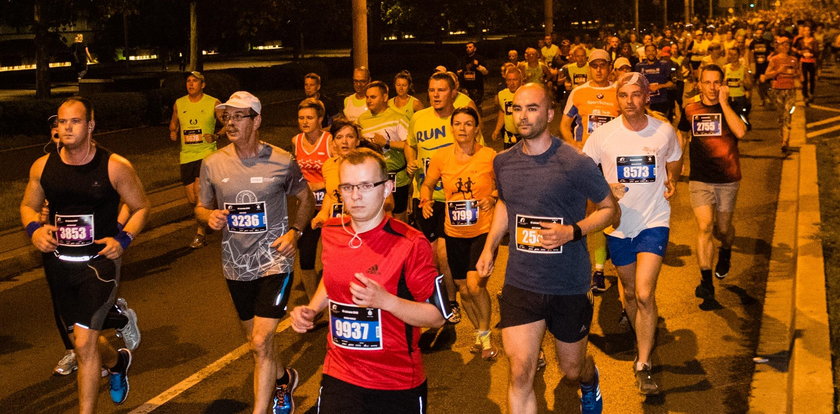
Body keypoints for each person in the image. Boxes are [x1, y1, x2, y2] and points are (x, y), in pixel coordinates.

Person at [476, 83, 619, 414]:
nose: (523, 116)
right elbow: (506, 204)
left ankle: (589, 378)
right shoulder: (503, 162)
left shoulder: (574, 162)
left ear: (550, 114)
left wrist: (573, 231)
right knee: (520, 372)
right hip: (521, 284)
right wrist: (490, 246)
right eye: (517, 109)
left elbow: (610, 209)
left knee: (571, 369)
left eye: (532, 108)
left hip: (567, 284)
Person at [290, 148, 446, 413]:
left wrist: (386, 301)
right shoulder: (331, 231)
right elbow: (331, 278)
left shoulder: (410, 242)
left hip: (395, 381)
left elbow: (437, 317)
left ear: (386, 188)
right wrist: (313, 309)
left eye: (365, 185)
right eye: (348, 187)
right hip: (340, 372)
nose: (356, 195)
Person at [21, 96, 151, 413]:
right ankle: (118, 362)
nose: (66, 127)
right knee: (80, 341)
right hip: (59, 265)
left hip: (99, 265)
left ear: (90, 125)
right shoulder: (43, 167)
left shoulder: (114, 166)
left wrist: (124, 238)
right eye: (62, 121)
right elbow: (26, 206)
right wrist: (35, 230)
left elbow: (142, 206)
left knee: (83, 344)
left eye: (75, 121)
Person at [196, 91, 315, 414]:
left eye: (238, 116)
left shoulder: (281, 160)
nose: (230, 123)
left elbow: (307, 198)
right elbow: (200, 207)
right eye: (226, 117)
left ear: (257, 120)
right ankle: (283, 379)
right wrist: (209, 217)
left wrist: (296, 232)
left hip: (274, 261)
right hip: (235, 265)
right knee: (256, 343)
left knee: (262, 341)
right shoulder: (212, 163)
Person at [583, 72, 683, 395]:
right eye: (623, 96)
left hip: (654, 221)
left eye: (636, 95)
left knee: (643, 292)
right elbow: (584, 173)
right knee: (627, 291)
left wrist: (673, 181)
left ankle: (643, 362)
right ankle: (643, 329)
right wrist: (605, 189)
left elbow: (676, 159)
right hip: (618, 225)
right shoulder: (603, 136)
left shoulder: (663, 131)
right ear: (617, 99)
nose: (630, 102)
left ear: (646, 97)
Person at [421, 107, 499, 360]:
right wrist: (426, 200)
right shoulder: (442, 157)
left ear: (477, 128)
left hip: (484, 231)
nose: (462, 128)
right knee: (463, 289)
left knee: (476, 287)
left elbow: (504, 187)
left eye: (468, 124)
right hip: (454, 232)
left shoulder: (489, 156)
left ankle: (486, 337)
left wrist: (492, 197)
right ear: (451, 128)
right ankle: (479, 332)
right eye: (458, 124)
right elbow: (427, 184)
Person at [677, 65, 747, 304]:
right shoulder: (690, 109)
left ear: (723, 84)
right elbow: (682, 134)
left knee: (723, 230)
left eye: (717, 82)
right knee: (705, 226)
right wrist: (677, 162)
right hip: (700, 178)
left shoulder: (733, 106)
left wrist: (725, 104)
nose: (712, 87)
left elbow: (741, 132)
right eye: (707, 82)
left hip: (728, 179)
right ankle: (706, 282)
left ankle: (725, 252)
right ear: (699, 84)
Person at [559, 49, 620, 294]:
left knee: (608, 212)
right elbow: (564, 125)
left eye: (603, 65)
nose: (598, 69)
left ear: (609, 67)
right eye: (594, 65)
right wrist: (576, 147)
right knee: (584, 214)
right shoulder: (578, 92)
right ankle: (585, 268)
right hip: (584, 162)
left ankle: (599, 268)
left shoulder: (618, 92)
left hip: (611, 161)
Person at [406, 71, 464, 325]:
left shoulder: (461, 119)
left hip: (451, 198)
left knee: (444, 253)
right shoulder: (418, 118)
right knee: (429, 255)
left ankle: (451, 302)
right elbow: (410, 144)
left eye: (441, 90)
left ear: (452, 93)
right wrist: (410, 160)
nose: (436, 95)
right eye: (432, 90)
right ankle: (436, 301)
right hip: (425, 197)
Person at [169, 71, 222, 249]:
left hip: (206, 154)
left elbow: (228, 123)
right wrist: (173, 131)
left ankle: (200, 233)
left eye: (195, 81)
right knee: (191, 198)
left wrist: (215, 136)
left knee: (199, 195)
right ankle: (211, 211)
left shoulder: (213, 103)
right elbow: (174, 121)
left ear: (203, 85)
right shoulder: (179, 103)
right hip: (186, 155)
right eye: (188, 81)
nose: (191, 84)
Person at [293, 98, 333, 300]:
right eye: (301, 118)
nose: (305, 121)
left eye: (309, 117)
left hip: (328, 207)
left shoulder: (329, 141)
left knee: (330, 256)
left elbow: (340, 173)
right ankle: (312, 302)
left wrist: (321, 185)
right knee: (306, 255)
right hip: (307, 208)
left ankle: (335, 295)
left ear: (320, 119)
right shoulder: (296, 141)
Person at [357, 81, 410, 221]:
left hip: (396, 177)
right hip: (372, 179)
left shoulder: (398, 117)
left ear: (385, 97)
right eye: (367, 97)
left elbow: (409, 145)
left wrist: (386, 143)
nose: (369, 100)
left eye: (373, 97)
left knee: (398, 220)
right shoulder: (362, 119)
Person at [764, 36, 801, 151]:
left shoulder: (793, 59)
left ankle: (785, 141)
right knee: (781, 116)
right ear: (778, 47)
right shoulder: (774, 60)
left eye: (787, 44)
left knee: (787, 114)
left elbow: (798, 73)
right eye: (783, 44)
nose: (786, 47)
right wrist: (778, 71)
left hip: (790, 90)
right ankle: (783, 138)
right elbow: (767, 75)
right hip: (778, 91)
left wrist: (796, 75)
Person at [636, 44, 676, 119]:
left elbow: (671, 83)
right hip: (646, 102)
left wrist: (659, 86)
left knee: (662, 125)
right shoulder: (639, 66)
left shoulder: (664, 64)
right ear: (645, 52)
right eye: (648, 51)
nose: (651, 53)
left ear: (656, 52)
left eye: (653, 50)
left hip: (661, 101)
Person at [492, 67, 524, 150]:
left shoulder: (527, 93)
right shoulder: (502, 94)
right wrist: (497, 130)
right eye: (509, 80)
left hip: (525, 137)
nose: (512, 83)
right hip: (509, 137)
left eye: (515, 80)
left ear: (521, 80)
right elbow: (503, 112)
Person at [723, 47, 753, 129]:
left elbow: (750, 85)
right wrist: (724, 83)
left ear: (739, 55)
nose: (732, 56)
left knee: (741, 116)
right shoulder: (725, 68)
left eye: (735, 54)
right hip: (728, 97)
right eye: (730, 54)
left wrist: (743, 82)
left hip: (740, 97)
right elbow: (721, 83)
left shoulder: (744, 69)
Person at [792, 24, 820, 105]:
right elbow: (797, 50)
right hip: (803, 61)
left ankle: (811, 93)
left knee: (811, 79)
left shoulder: (814, 41)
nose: (806, 32)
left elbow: (817, 52)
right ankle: (805, 95)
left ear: (810, 31)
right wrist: (801, 52)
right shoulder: (800, 41)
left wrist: (812, 54)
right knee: (803, 79)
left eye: (808, 30)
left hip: (811, 62)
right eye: (805, 30)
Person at [457, 42, 489, 106]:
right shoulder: (463, 59)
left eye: (470, 47)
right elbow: (458, 71)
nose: (468, 49)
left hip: (477, 87)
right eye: (467, 47)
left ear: (475, 49)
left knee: (476, 106)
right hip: (466, 87)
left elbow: (486, 72)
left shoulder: (479, 58)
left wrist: (478, 66)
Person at [749, 28, 774, 107]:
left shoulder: (766, 42)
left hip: (765, 65)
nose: (759, 35)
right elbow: (749, 54)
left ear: (762, 34)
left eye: (760, 33)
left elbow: (773, 50)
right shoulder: (752, 43)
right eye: (757, 33)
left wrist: (769, 56)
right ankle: (762, 98)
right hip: (756, 66)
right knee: (758, 84)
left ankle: (767, 96)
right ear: (755, 34)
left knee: (766, 83)